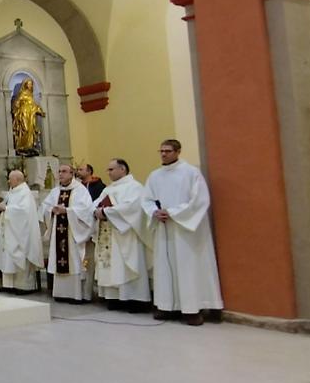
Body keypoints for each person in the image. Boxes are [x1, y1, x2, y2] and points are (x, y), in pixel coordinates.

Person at [142, 139, 223, 325]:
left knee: (188, 268)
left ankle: (191, 309)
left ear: (178, 151)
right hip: (164, 228)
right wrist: (154, 212)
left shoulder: (191, 173)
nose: (163, 154)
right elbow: (146, 199)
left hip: (186, 230)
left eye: (167, 151)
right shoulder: (154, 176)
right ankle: (166, 306)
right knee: (164, 266)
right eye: (161, 151)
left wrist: (173, 213)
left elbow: (199, 200)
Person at [93, 159, 152, 310]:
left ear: (123, 169)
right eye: (108, 170)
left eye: (111, 169)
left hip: (126, 235)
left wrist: (106, 212)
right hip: (108, 233)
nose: (109, 172)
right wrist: (95, 211)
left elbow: (132, 208)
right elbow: (96, 204)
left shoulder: (135, 187)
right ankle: (114, 298)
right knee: (111, 266)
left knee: (126, 265)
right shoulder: (108, 189)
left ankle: (134, 299)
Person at [41, 164, 95, 303]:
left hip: (73, 234)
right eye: (59, 172)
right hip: (58, 231)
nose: (61, 174)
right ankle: (61, 293)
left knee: (74, 260)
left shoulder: (80, 190)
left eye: (64, 171)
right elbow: (45, 208)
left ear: (72, 174)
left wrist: (67, 211)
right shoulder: (55, 191)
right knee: (61, 260)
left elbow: (86, 211)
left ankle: (76, 295)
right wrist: (51, 210)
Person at [0, 170, 42, 294]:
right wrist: (1, 208)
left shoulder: (25, 193)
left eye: (10, 179)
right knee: (8, 257)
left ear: (18, 180)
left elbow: (24, 212)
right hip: (10, 230)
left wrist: (7, 209)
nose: (8, 181)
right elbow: (7, 205)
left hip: (20, 233)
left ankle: (24, 286)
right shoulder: (12, 191)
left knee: (20, 256)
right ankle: (9, 285)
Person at [11, 77, 44, 156]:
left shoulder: (31, 95)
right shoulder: (22, 94)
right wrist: (17, 108)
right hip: (23, 115)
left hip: (31, 115)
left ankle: (29, 146)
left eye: (31, 84)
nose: (30, 86)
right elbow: (16, 104)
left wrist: (40, 110)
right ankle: (22, 146)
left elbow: (34, 105)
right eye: (29, 84)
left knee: (31, 130)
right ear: (25, 85)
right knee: (24, 129)